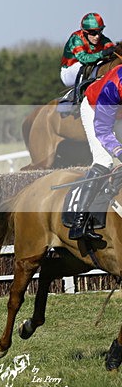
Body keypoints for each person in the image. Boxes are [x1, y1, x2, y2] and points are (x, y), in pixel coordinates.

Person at [70, 63, 122, 239]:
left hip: (118, 112)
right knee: (104, 160)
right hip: (95, 110)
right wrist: (119, 151)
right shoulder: (115, 86)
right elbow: (103, 130)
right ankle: (79, 221)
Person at [60, 12, 115, 89]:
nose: (97, 36)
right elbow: (84, 59)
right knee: (86, 66)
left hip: (89, 68)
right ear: (85, 32)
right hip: (69, 72)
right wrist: (102, 54)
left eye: (100, 31)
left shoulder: (103, 39)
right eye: (93, 33)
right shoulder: (76, 39)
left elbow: (113, 50)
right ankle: (79, 97)